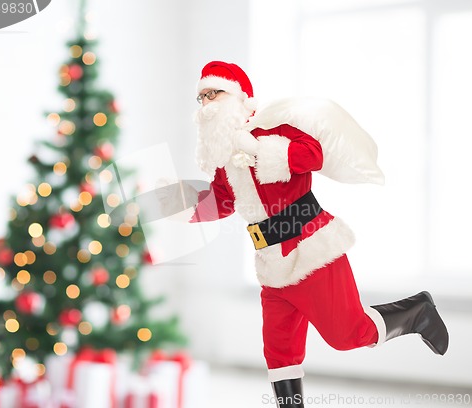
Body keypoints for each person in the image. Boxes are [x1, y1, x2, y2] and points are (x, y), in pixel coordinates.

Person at [185, 61, 448, 408]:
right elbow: (221, 204)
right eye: (200, 97)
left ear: (237, 96)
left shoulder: (271, 127)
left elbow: (313, 154)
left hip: (311, 246)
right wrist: (171, 203)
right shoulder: (223, 165)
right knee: (278, 352)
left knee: (348, 335)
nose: (206, 104)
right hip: (270, 261)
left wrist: (260, 150)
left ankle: (416, 311)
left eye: (212, 93)